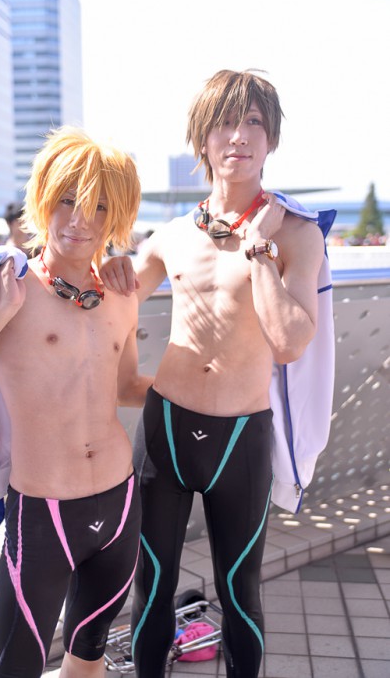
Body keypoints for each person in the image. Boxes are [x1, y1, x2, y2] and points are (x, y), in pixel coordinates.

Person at [100, 70, 334, 678]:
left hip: (240, 439)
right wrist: (110, 263)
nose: (239, 136)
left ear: (271, 138)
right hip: (167, 427)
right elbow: (107, 305)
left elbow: (289, 343)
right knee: (151, 587)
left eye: (254, 122)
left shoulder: (297, 236)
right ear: (202, 138)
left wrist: (258, 251)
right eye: (226, 123)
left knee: (240, 593)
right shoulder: (173, 235)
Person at [0, 126, 152, 678]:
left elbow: (126, 387)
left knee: (88, 655)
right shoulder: (7, 285)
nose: (80, 220)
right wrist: (0, 312)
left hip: (120, 503)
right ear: (43, 199)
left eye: (99, 207)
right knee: (16, 668)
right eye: (68, 200)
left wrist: (209, 385)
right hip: (43, 511)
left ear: (117, 216)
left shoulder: (120, 295)